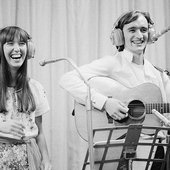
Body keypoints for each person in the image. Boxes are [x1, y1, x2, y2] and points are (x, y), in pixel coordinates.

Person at [59, 10, 170, 169]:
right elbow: (67, 79)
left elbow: (163, 114)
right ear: (119, 35)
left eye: (143, 30)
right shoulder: (112, 63)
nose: (139, 35)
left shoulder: (157, 73)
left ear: (150, 34)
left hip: (155, 151)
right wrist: (105, 103)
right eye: (132, 30)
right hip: (120, 153)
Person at [0, 26, 52, 170]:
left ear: (28, 50)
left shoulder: (36, 87)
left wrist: (45, 159)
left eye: (22, 43)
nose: (17, 48)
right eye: (10, 43)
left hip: (29, 157)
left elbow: (40, 131)